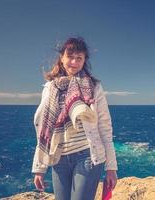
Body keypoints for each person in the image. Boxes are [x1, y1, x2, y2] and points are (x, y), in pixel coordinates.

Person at [31, 37, 118, 200]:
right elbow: (44, 129)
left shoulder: (94, 87)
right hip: (58, 159)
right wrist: (39, 168)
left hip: (87, 157)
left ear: (84, 61)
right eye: (70, 57)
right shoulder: (50, 88)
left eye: (79, 58)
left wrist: (111, 168)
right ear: (62, 58)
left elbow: (105, 128)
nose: (74, 62)